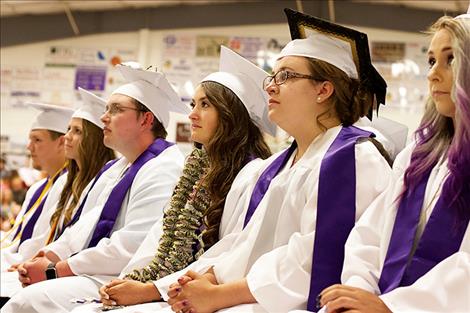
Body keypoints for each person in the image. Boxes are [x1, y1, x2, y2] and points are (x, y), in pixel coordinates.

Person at [134, 10, 392, 313]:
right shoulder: (281, 165)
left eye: (286, 76)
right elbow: (244, 244)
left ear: (324, 89)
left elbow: (314, 259)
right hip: (255, 295)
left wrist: (219, 295)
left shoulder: (351, 158)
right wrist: (199, 279)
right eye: (273, 76)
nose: (270, 86)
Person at [1, 64, 187, 312]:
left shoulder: (164, 168)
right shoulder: (119, 167)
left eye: (116, 109)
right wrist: (48, 255)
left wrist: (56, 270)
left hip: (123, 277)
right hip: (96, 269)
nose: (104, 117)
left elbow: (130, 246)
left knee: (28, 301)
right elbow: (85, 225)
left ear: (146, 119)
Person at [316, 13, 470, 313]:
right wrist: (358, 293)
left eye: (450, 60)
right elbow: (370, 235)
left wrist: (392, 307)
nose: (433, 74)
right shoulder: (419, 155)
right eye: (431, 61)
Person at [1, 87, 116, 276]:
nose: (67, 137)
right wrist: (33, 259)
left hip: (74, 269)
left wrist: (38, 262)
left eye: (77, 131)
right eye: (69, 129)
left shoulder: (106, 181)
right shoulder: (66, 182)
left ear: (94, 139)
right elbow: (44, 234)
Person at [1, 103, 74, 271]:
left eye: (37, 140)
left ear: (62, 142)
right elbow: (15, 238)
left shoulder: (69, 186)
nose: (29, 146)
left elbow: (44, 240)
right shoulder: (38, 187)